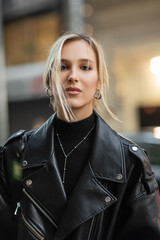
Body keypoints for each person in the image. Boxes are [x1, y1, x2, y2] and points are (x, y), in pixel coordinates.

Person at [0, 32, 160, 240]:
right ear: (50, 79)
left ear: (99, 81)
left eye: (85, 67)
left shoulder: (129, 163)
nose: (73, 76)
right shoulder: (16, 153)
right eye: (63, 66)